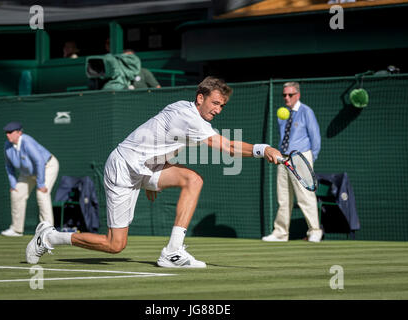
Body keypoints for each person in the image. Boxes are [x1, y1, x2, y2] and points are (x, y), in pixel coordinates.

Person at [26, 76, 282, 267]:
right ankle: (49, 237)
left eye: (222, 106)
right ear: (200, 98)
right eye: (215, 103)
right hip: (123, 169)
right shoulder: (190, 117)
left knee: (193, 179)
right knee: (115, 245)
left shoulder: (184, 108)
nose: (218, 109)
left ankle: (173, 250)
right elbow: (226, 147)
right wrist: (263, 149)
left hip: (144, 168)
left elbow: (162, 140)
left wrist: (154, 176)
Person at [262, 82, 322, 243]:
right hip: (284, 158)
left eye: (290, 95)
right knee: (283, 198)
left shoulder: (306, 112)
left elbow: (315, 138)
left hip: (301, 157)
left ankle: (315, 231)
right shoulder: (282, 113)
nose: (286, 98)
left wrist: (308, 160)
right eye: (284, 95)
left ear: (298, 95)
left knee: (305, 196)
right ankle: (280, 233)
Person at [1, 122, 59, 237]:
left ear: (19, 133)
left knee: (42, 194)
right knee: (16, 194)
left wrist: (41, 183)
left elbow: (39, 162)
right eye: (6, 133)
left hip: (47, 166)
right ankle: (17, 230)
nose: (8, 135)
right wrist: (13, 184)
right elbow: (9, 166)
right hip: (28, 173)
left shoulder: (27, 141)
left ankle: (48, 231)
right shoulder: (7, 146)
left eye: (10, 132)